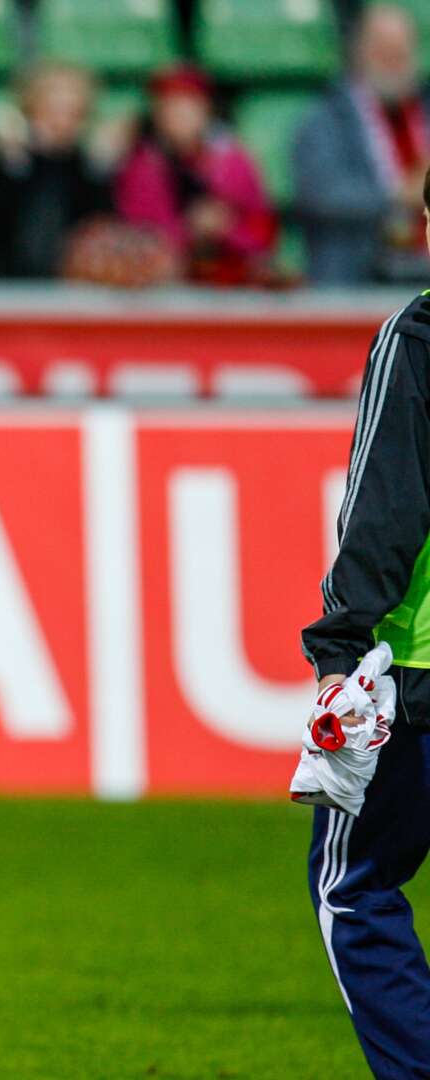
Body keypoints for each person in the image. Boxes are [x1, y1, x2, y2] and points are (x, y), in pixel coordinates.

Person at [300, 168, 430, 1080]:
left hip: (420, 677)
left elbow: (383, 504)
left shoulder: (418, 338)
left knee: (353, 885)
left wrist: (342, 650)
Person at [293, 4, 430, 283]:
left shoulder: (424, 112)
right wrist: (399, 193)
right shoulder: (325, 119)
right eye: (384, 53)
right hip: (359, 274)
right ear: (359, 52)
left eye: (401, 53)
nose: (394, 63)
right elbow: (323, 194)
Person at [115, 64, 277, 286]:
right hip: (163, 288)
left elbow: (263, 238)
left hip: (231, 287)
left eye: (189, 106)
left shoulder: (233, 161)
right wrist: (190, 229)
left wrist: (226, 228)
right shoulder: (143, 166)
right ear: (157, 113)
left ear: (206, 110)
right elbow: (136, 238)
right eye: (171, 107)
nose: (180, 116)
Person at [0, 61, 117, 279]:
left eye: (72, 113)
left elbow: (101, 225)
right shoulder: (9, 158)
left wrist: (99, 167)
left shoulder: (86, 166)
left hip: (69, 287)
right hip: (7, 285)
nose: (60, 122)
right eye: (52, 110)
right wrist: (12, 163)